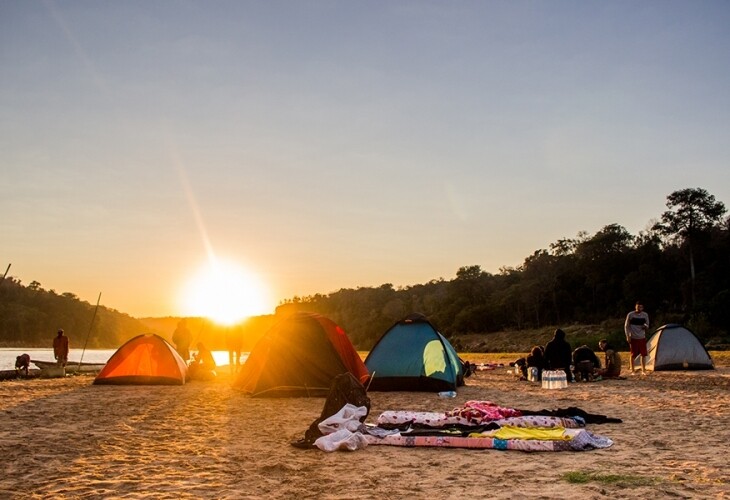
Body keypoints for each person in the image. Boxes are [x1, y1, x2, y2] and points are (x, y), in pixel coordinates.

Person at [625, 301, 650, 374]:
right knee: (633, 354)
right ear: (635, 307)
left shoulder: (645, 315)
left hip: (642, 337)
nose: (639, 308)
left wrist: (645, 326)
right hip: (633, 337)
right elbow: (626, 326)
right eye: (638, 306)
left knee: (643, 354)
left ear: (643, 308)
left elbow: (647, 325)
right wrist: (628, 336)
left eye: (641, 307)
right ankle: (633, 370)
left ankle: (643, 370)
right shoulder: (630, 315)